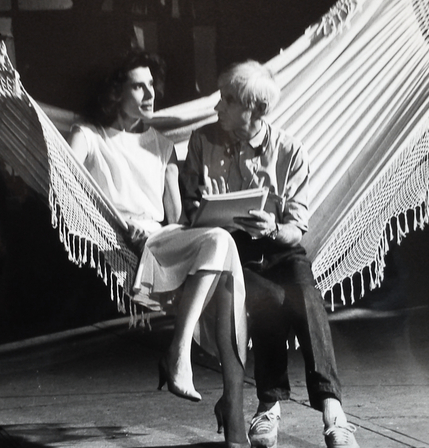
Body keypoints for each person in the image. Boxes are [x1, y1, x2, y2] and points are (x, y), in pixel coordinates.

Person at [67, 49, 250, 447]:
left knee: (222, 248)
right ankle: (230, 412)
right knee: (225, 263)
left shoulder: (164, 145)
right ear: (117, 92)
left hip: (163, 238)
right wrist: (113, 221)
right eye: (138, 85)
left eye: (152, 85)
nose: (150, 93)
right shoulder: (88, 137)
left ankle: (182, 356)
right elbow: (65, 185)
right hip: (126, 239)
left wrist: (209, 206)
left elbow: (177, 219)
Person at [180, 60, 360, 448]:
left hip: (278, 246)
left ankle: (332, 408)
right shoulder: (201, 141)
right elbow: (187, 213)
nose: (217, 107)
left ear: (256, 110)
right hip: (228, 251)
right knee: (267, 299)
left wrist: (273, 228)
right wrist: (209, 210)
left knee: (305, 295)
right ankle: (269, 406)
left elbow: (297, 228)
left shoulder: (290, 151)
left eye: (228, 100)